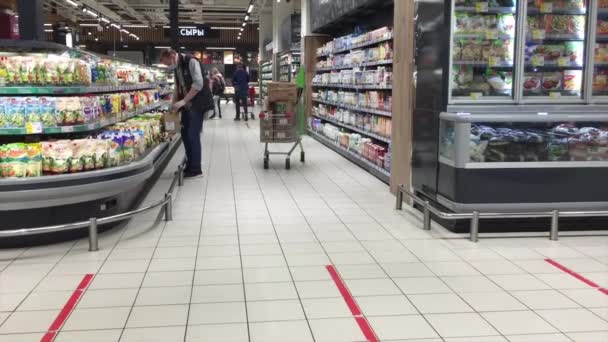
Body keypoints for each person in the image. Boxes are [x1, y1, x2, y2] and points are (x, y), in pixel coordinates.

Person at [160, 49, 214, 178]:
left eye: (168, 64)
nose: (168, 67)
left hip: (198, 104)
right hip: (187, 105)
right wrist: (174, 105)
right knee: (184, 134)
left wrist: (183, 101)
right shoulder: (177, 67)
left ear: (173, 56)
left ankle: (196, 169)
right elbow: (178, 87)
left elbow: (198, 84)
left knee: (192, 135)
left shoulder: (191, 61)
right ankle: (189, 165)